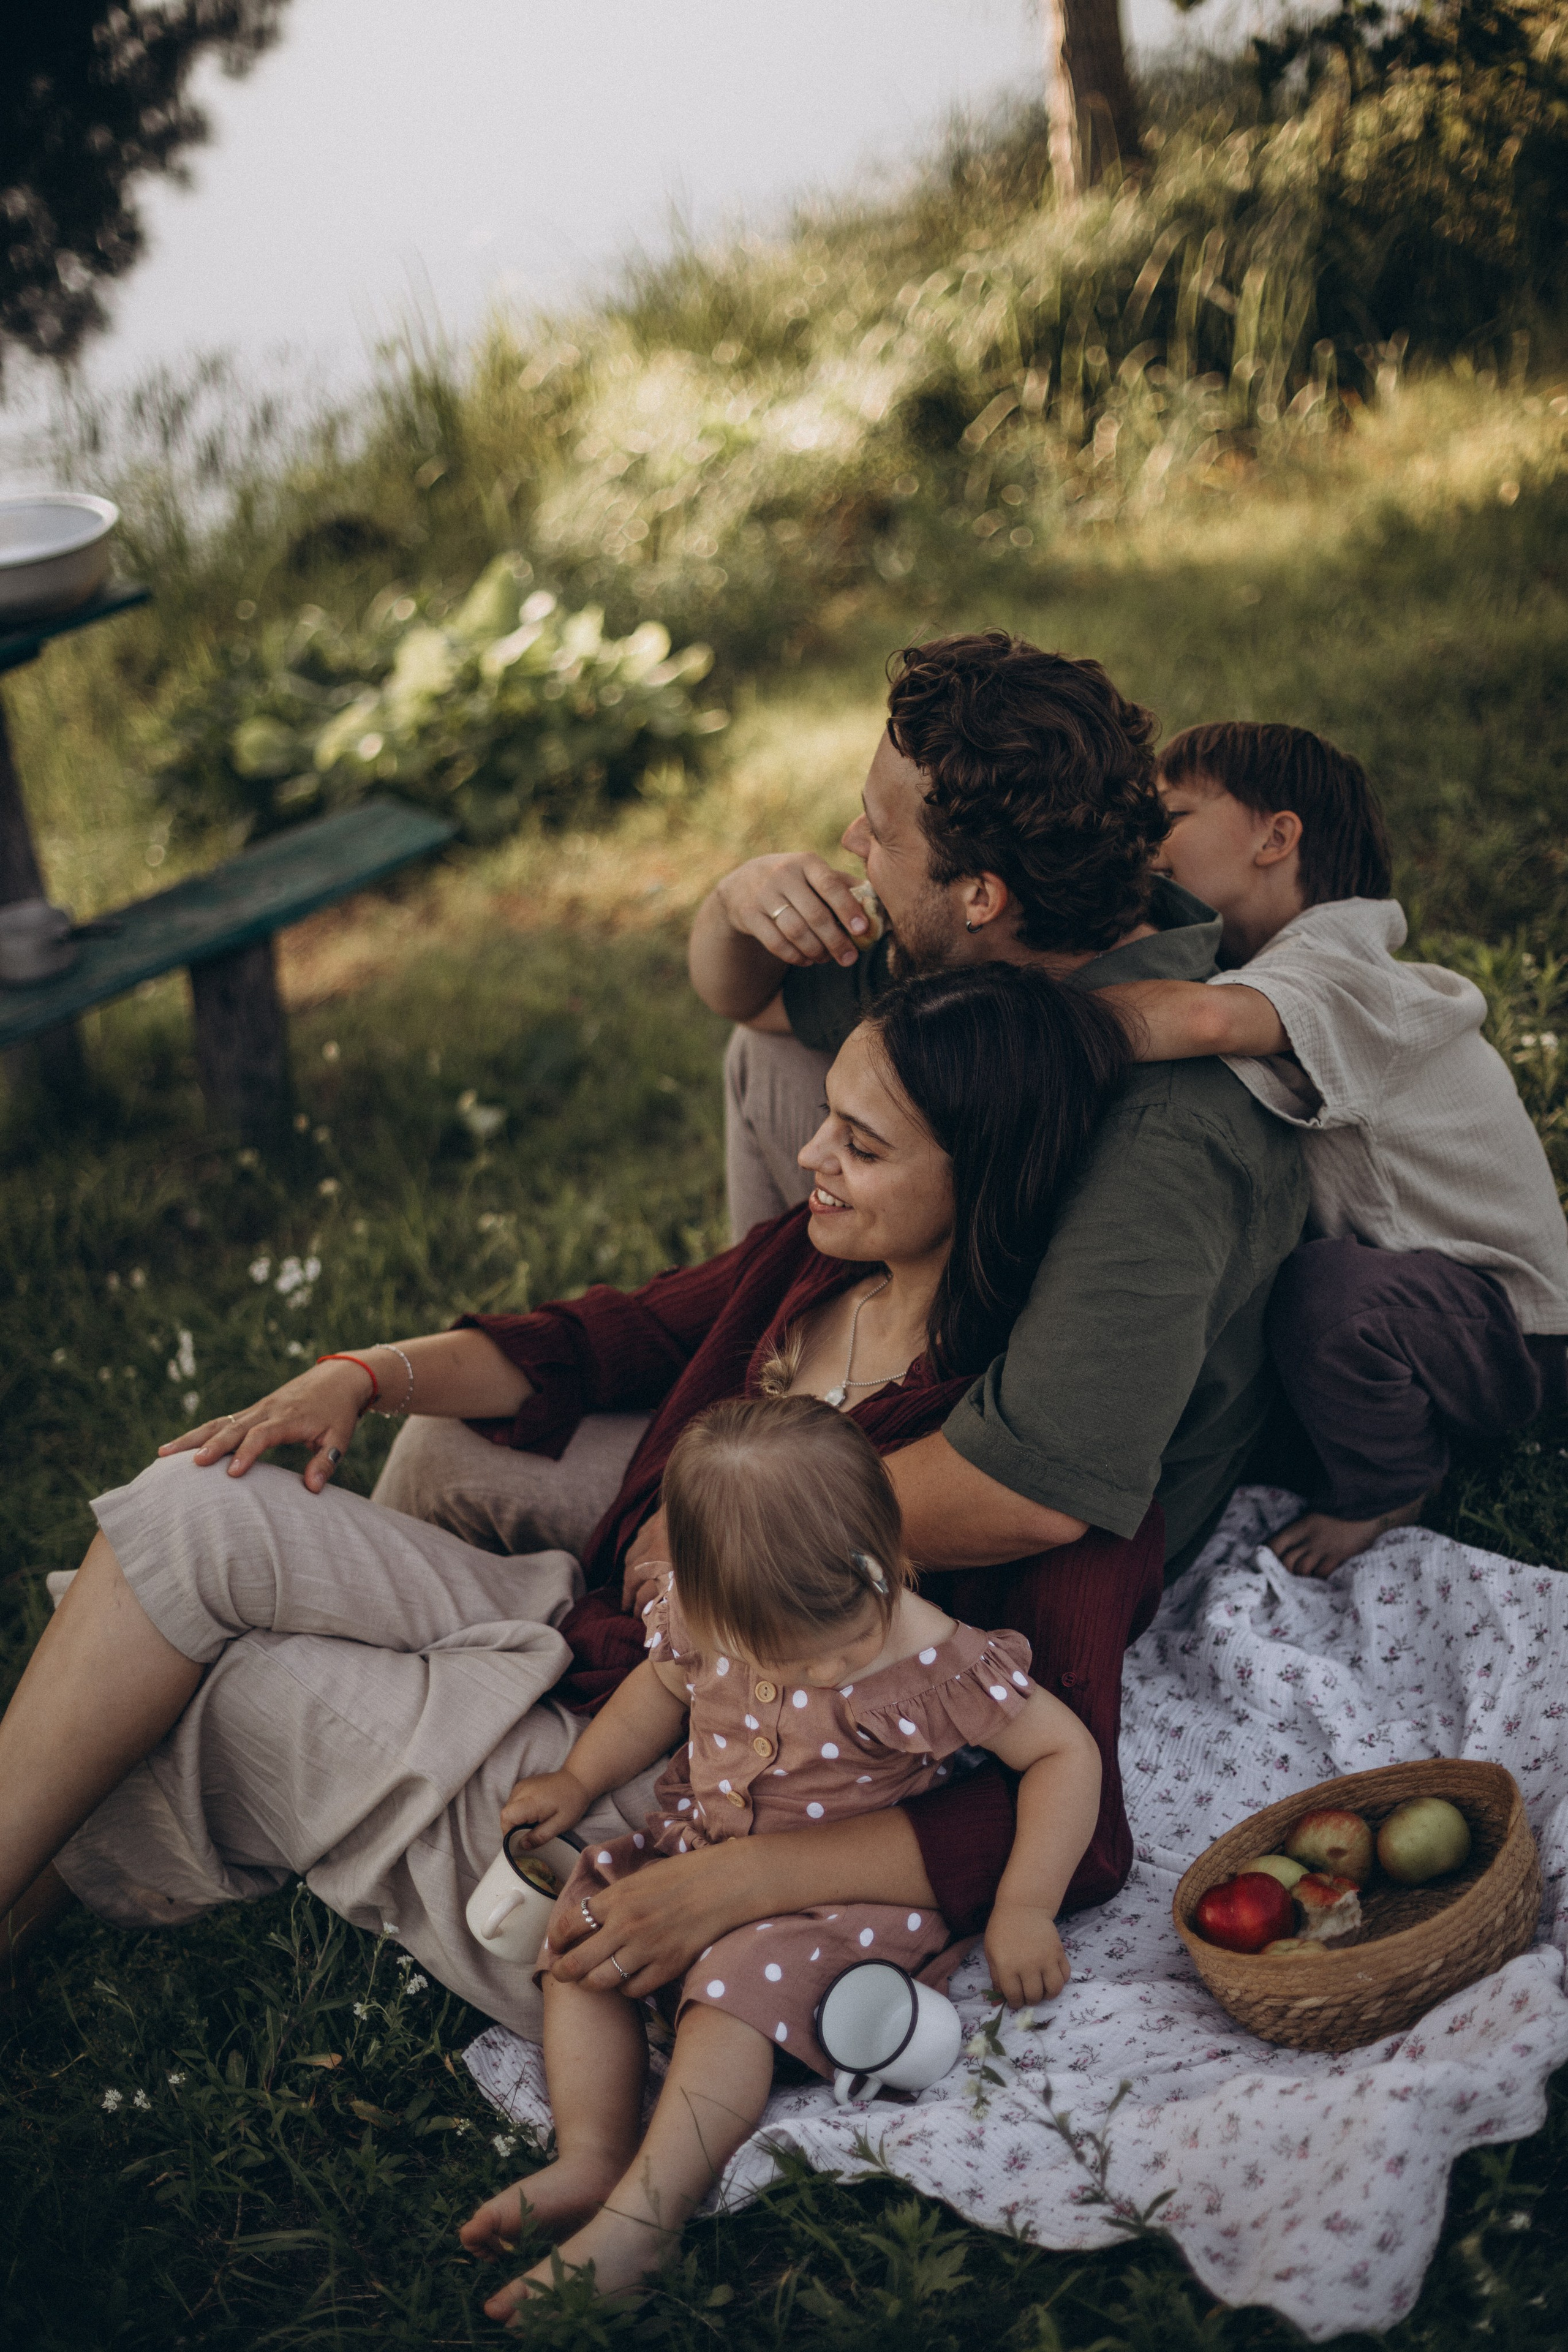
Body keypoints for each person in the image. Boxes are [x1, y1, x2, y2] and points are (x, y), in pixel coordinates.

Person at [0, 964, 1145, 2033]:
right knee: (192, 1502)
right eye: (825, 1119)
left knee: (243, 1685)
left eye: (860, 1142)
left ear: (979, 1174)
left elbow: (1074, 1821)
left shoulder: (1017, 1437)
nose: (808, 1156)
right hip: (588, 1644)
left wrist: (725, 1881)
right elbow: (616, 1336)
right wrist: (357, 1375)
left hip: (687, 1823)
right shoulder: (815, 1265)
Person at [688, 629, 1310, 1588]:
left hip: (979, 1551)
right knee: (770, 1052)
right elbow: (750, 1002)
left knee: (464, 1479)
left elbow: (1028, 1491)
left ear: (981, 894)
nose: (851, 846)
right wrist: (736, 903)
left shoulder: (1169, 1132)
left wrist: (713, 1531)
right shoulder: (976, 960)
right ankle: (759, 1348)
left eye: (877, 832)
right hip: (869, 1389)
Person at [461, 1396, 1101, 2313]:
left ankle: (648, 2219)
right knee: (586, 1934)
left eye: (839, 1651)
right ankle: (592, 2156)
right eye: (782, 1662)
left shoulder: (934, 1661)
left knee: (738, 1985)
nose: (817, 1678)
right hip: (698, 1857)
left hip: (832, 1910)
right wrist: (575, 1778)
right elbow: (659, 1690)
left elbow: (1062, 1752)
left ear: (884, 1563)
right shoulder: (707, 1614)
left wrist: (1025, 1906)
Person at [1099, 720, 1568, 1577]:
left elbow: (1203, 1020)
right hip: (1430, 1303)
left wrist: (1029, 1015)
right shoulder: (1286, 962)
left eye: (1172, 818)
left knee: (1328, 1298)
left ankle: (1391, 1484)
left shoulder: (1338, 962)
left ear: (1276, 838)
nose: (1147, 846)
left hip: (1511, 1331)